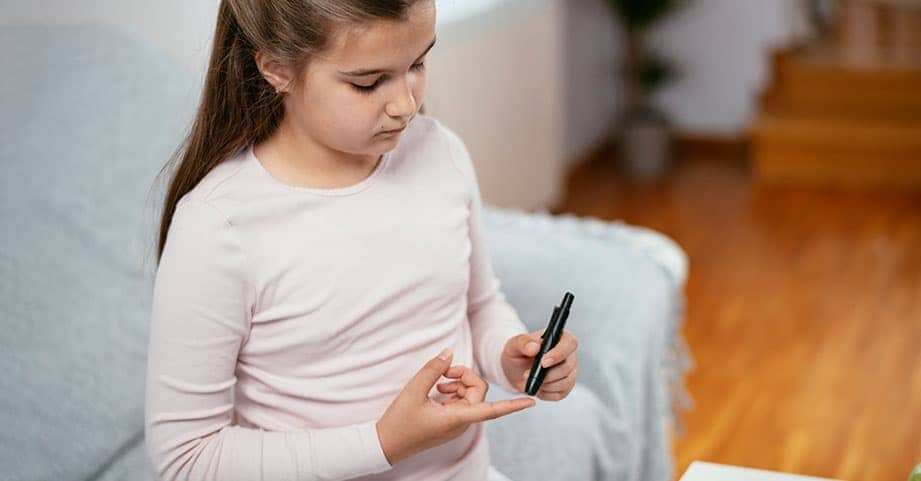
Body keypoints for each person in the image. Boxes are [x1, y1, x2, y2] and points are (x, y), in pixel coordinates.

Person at [144, 1, 580, 480]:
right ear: (276, 68)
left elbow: (478, 304)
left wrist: (510, 355)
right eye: (368, 83)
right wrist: (382, 443)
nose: (406, 105)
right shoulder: (218, 227)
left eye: (417, 63)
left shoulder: (441, 154)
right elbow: (186, 460)